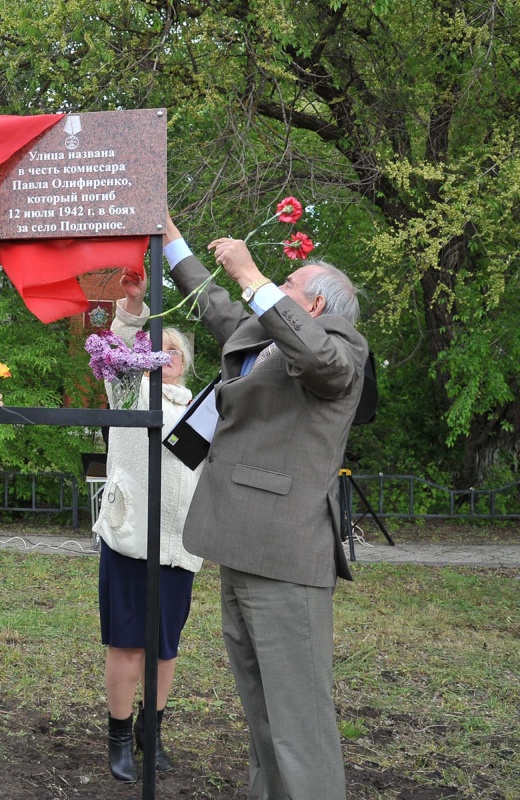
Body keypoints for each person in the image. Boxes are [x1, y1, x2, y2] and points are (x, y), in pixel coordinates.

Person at [164, 217, 367, 800]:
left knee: (299, 727)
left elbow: (318, 358)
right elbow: (213, 303)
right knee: (264, 721)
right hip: (238, 545)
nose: (276, 284)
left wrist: (253, 273)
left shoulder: (340, 350)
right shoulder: (269, 338)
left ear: (318, 301)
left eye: (290, 282)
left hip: (285, 559)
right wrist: (169, 235)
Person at [92, 270, 202, 782]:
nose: (164, 355)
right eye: (155, 348)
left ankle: (150, 734)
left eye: (173, 351)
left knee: (163, 647)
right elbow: (116, 360)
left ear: (185, 366)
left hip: (180, 544)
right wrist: (132, 310)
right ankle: (118, 736)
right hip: (131, 538)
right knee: (127, 643)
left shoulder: (205, 411)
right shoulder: (131, 394)